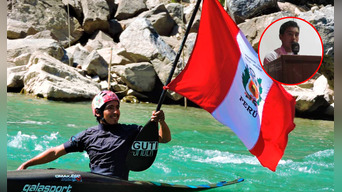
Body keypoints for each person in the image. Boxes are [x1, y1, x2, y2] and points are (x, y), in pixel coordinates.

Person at [17, 90, 171, 180]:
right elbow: (56, 151)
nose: (116, 112)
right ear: (98, 112)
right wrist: (27, 165)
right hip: (94, 181)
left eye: (117, 107)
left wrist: (160, 122)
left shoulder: (131, 131)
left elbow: (164, 139)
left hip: (119, 184)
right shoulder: (87, 135)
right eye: (110, 108)